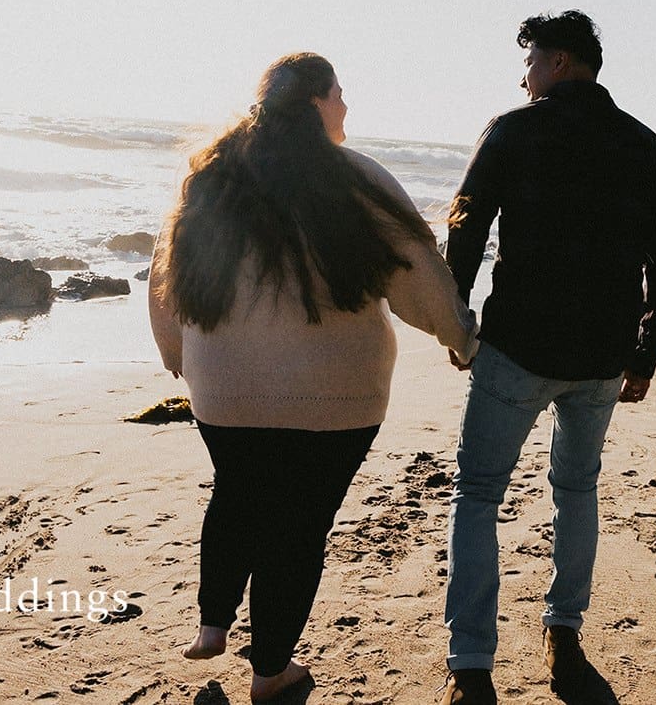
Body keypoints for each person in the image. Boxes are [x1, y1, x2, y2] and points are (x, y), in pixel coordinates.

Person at [148, 52, 476, 702]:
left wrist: (174, 352)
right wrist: (460, 339)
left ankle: (214, 623)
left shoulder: (211, 176)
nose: (347, 107)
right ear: (318, 103)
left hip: (224, 386)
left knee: (238, 490)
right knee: (298, 528)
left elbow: (167, 271)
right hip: (336, 398)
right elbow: (417, 271)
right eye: (340, 94)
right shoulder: (356, 179)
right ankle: (270, 671)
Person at [439, 11, 656, 704]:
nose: (523, 79)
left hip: (518, 345)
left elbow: (464, 226)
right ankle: (564, 638)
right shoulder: (648, 147)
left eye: (530, 63)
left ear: (558, 62)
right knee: (576, 490)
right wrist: (646, 353)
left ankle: (471, 668)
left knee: (478, 494)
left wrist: (456, 322)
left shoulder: (514, 129)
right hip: (603, 357)